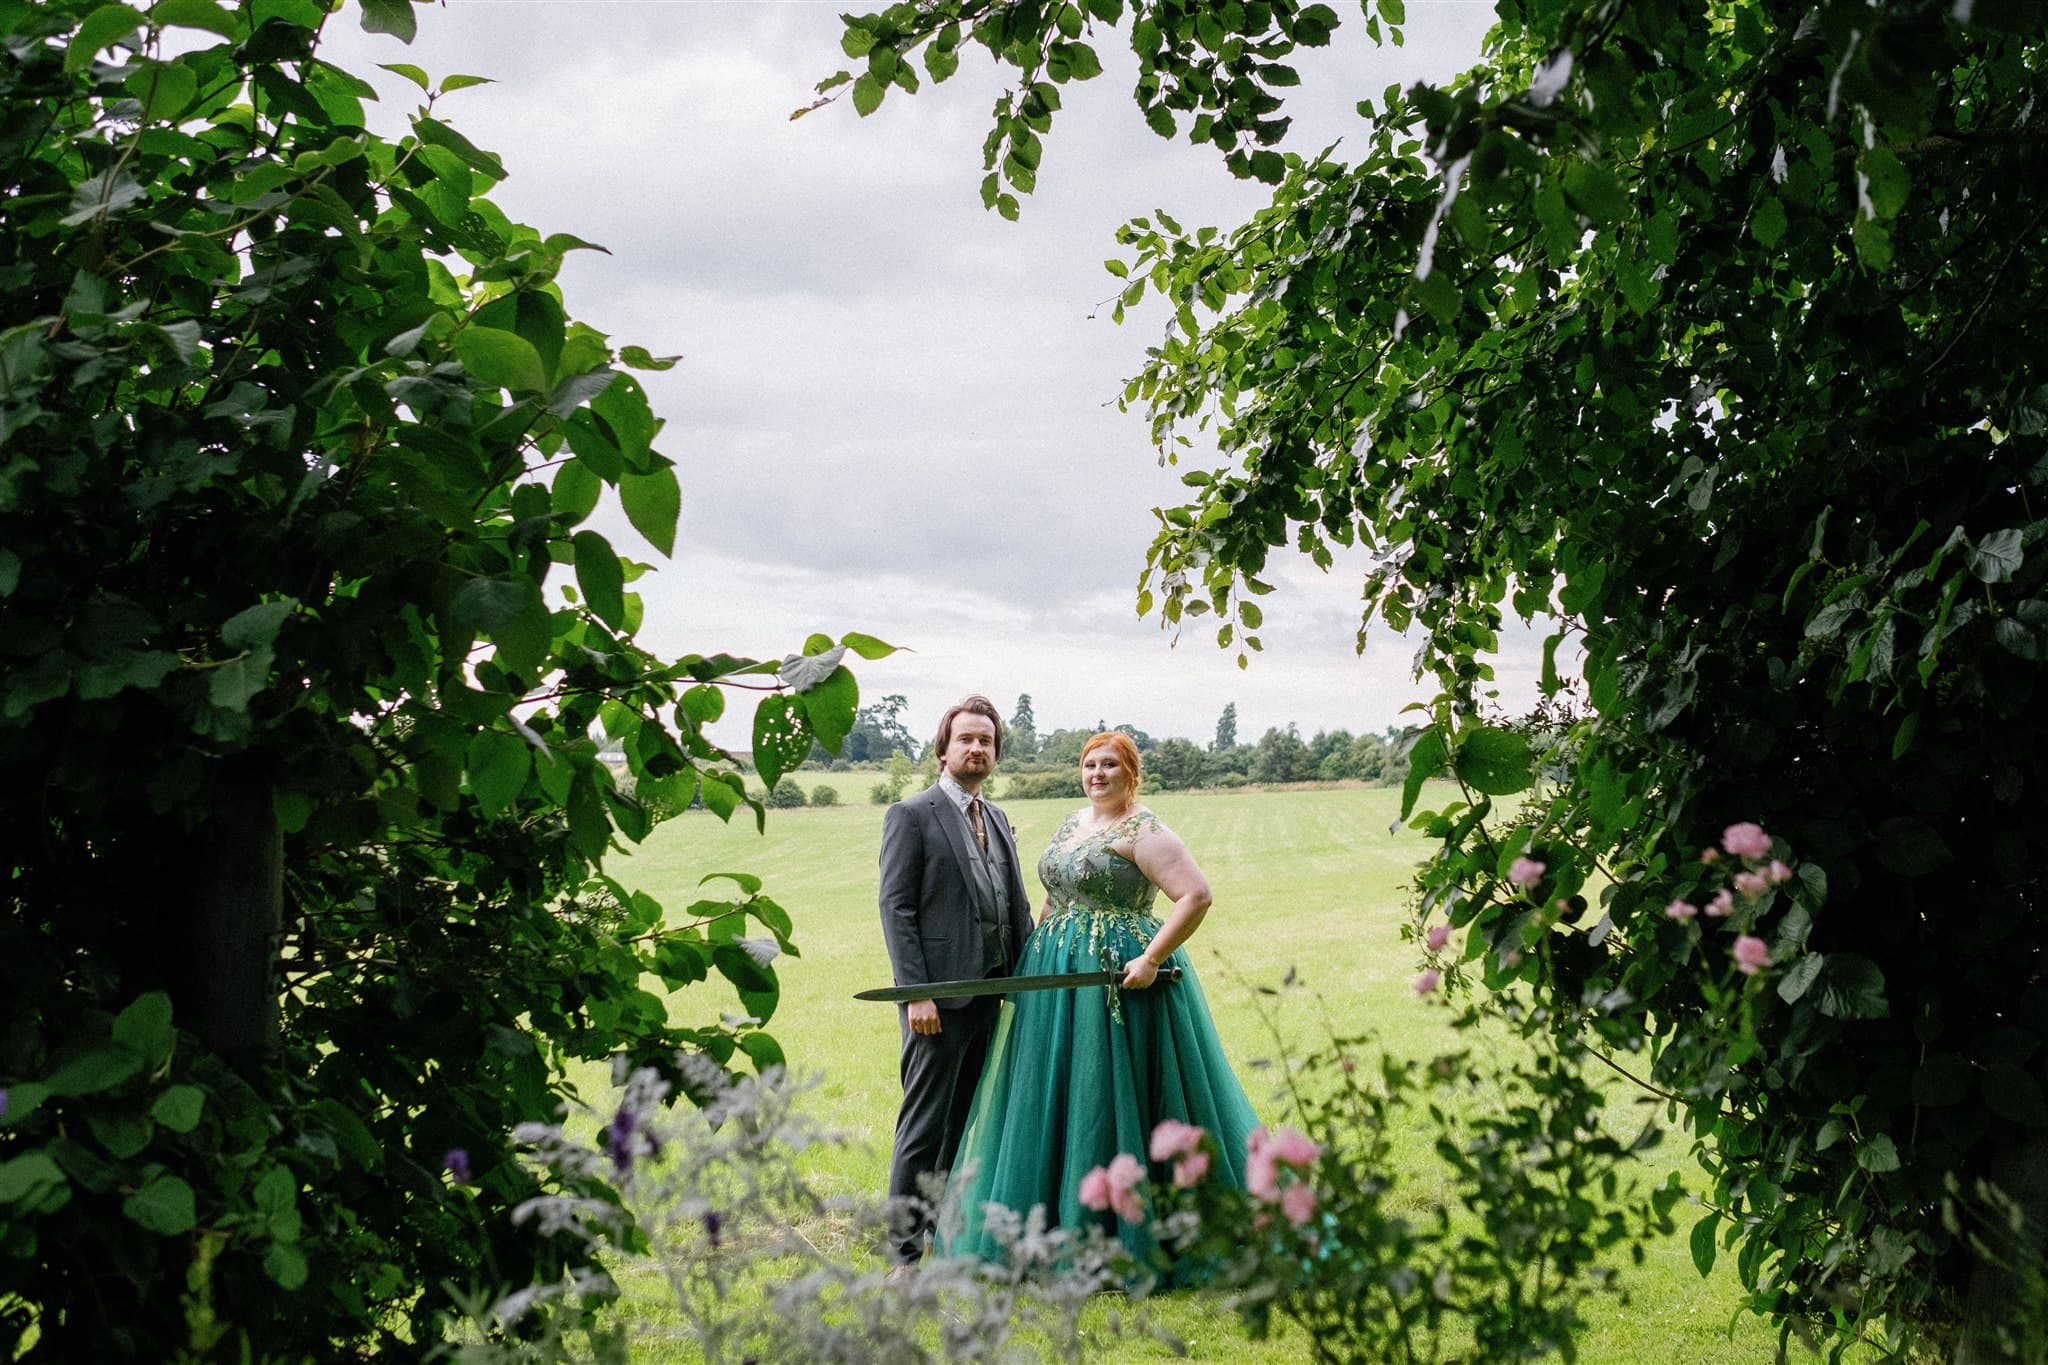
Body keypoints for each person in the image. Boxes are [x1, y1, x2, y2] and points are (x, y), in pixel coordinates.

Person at [939, 730, 1258, 1272]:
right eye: (1090, 765)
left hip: (1118, 978)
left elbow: (1196, 895)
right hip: (1054, 979)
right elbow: (1054, 894)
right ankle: (1048, 1224)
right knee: (1055, 1091)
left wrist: (1152, 958)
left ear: (1130, 772)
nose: (1097, 774)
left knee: (1111, 1090)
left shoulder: (1145, 829)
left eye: (1110, 765)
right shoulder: (1073, 823)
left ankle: (1128, 1233)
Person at [878, 695, 1036, 1269]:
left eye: (986, 741)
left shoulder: (993, 817)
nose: (976, 748)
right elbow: (895, 908)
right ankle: (901, 1255)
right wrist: (916, 991)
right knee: (922, 1128)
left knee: (958, 1123)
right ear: (943, 749)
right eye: (966, 739)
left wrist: (1029, 977)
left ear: (995, 754)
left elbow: (1013, 903)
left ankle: (936, 1236)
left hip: (991, 995)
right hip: (936, 1002)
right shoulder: (911, 815)